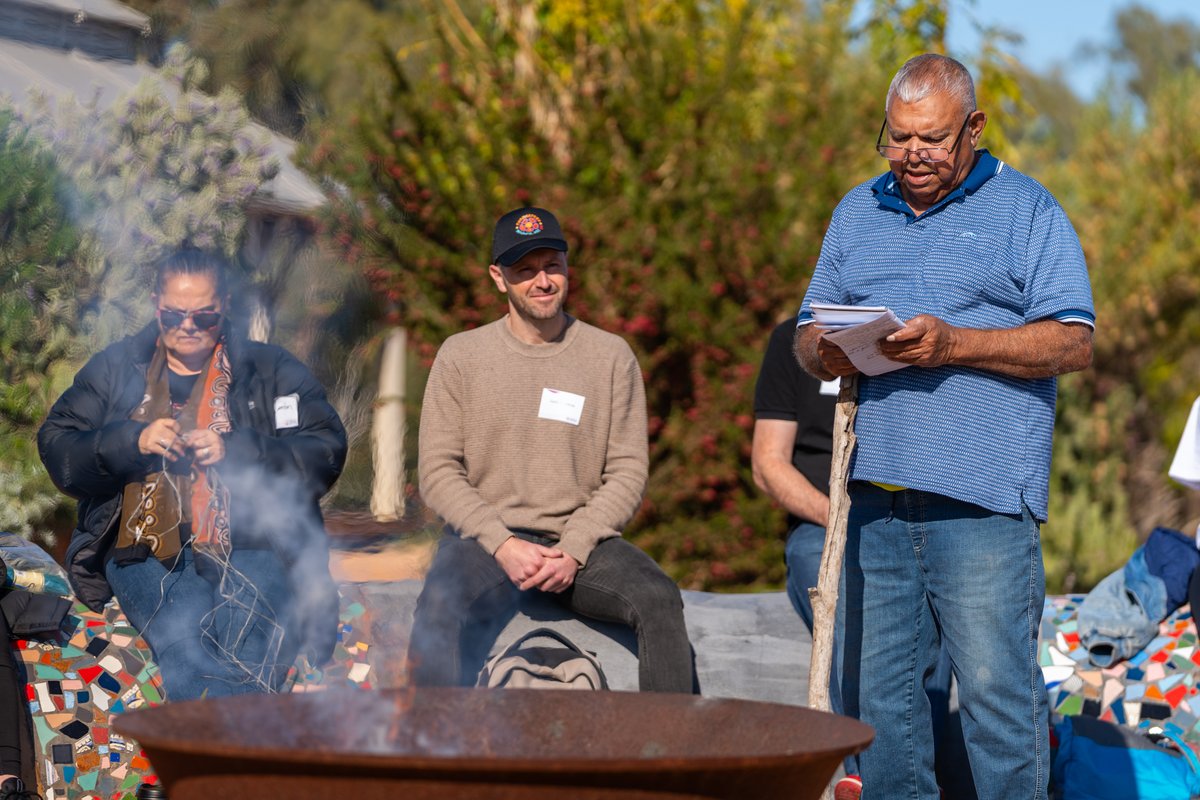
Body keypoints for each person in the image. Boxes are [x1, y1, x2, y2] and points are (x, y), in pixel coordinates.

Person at [794, 54, 1094, 800]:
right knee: (882, 711)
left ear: (974, 128)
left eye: (930, 139)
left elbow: (1074, 340)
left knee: (998, 704)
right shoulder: (855, 211)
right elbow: (805, 333)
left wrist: (954, 342)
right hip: (872, 503)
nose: (912, 156)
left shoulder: (1028, 210)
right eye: (898, 139)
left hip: (984, 507)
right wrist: (827, 347)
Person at [38, 248, 347, 702]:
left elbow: (325, 449)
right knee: (187, 646)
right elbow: (59, 445)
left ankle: (211, 768)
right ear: (154, 304)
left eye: (203, 316)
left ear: (223, 305)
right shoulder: (118, 366)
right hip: (143, 548)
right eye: (173, 314)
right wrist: (131, 441)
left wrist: (238, 449)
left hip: (259, 541)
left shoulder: (270, 369)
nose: (187, 327)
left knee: (251, 646)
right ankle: (232, 766)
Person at [408, 206, 694, 693]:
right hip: (483, 542)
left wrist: (574, 549)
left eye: (552, 266)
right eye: (525, 270)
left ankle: (668, 763)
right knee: (439, 604)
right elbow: (437, 471)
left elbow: (626, 471)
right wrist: (501, 543)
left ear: (567, 267)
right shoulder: (461, 355)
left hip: (581, 545)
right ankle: (427, 759)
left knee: (659, 599)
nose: (542, 281)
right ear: (499, 278)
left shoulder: (609, 356)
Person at [751, 317, 954, 800]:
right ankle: (868, 774)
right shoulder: (793, 341)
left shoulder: (914, 337)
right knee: (842, 600)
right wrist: (836, 515)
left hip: (910, 517)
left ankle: (919, 775)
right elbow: (768, 463)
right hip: (821, 523)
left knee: (939, 624)